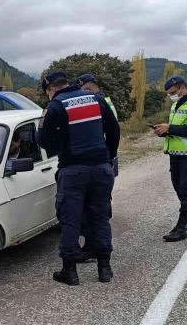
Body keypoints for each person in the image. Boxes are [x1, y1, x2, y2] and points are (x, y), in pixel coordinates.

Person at [37, 71, 120, 285]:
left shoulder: (56, 106)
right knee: (100, 217)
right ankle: (105, 269)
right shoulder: (96, 99)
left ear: (51, 89)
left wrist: (60, 143)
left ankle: (70, 272)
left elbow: (44, 141)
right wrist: (108, 156)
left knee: (70, 220)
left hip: (73, 170)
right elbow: (113, 130)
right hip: (101, 168)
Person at [153, 75, 187, 242]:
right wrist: (164, 131)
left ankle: (180, 228)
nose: (172, 95)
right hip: (175, 154)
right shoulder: (176, 104)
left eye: (173, 92)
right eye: (169, 93)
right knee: (179, 188)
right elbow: (178, 130)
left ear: (183, 87)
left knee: (186, 190)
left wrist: (170, 127)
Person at [74, 73, 118, 262]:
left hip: (100, 159)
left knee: (95, 205)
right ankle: (99, 246)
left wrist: (107, 156)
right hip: (105, 158)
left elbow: (111, 130)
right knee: (99, 203)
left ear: (88, 87)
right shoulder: (104, 99)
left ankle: (95, 247)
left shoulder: (99, 102)